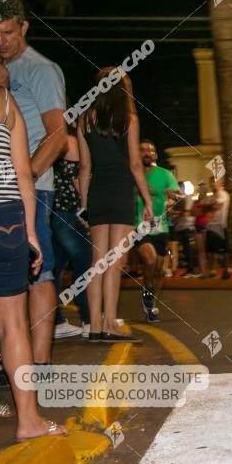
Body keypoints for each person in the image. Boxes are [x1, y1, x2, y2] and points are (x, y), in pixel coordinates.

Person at [0, 34, 68, 445]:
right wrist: (32, 235)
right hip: (6, 220)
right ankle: (29, 422)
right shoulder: (5, 103)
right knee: (12, 324)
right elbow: (23, 174)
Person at [78, 68, 153, 342]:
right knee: (115, 262)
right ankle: (110, 322)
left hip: (97, 193)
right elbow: (135, 164)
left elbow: (85, 167)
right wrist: (147, 200)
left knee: (97, 262)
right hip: (121, 191)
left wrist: (84, 205)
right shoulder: (129, 119)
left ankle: (95, 327)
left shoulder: (84, 119)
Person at [134, 140, 180, 321]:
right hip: (138, 225)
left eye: (151, 150)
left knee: (159, 270)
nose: (147, 153)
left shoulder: (165, 174)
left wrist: (174, 196)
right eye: (143, 150)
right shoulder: (132, 173)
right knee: (150, 259)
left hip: (160, 227)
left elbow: (177, 195)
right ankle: (148, 290)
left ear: (155, 155)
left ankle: (151, 299)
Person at [51, 127, 89, 338]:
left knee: (53, 269)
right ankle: (90, 319)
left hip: (51, 212)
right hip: (68, 212)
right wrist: (87, 209)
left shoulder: (45, 139)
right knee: (86, 265)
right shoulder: (70, 140)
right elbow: (76, 177)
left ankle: (56, 321)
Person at [202, 176, 232, 279]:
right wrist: (207, 207)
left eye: (214, 181)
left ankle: (227, 269)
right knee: (211, 250)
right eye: (211, 182)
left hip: (220, 225)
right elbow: (202, 206)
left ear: (220, 183)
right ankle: (212, 270)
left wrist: (207, 207)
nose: (212, 184)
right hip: (210, 225)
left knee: (223, 249)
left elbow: (216, 206)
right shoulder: (211, 196)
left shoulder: (222, 194)